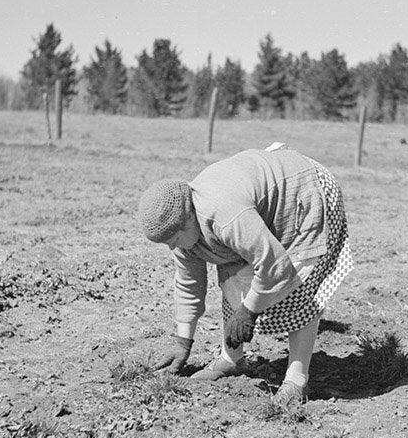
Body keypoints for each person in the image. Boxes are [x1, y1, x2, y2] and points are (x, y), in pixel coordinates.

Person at [137, 142, 353, 406]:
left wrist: (249, 310)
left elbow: (274, 265)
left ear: (189, 219)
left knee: (299, 289)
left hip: (305, 189)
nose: (172, 247)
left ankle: (297, 379)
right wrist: (183, 343)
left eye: (173, 239)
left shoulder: (225, 215)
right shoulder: (183, 231)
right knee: (233, 278)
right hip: (262, 202)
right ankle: (232, 360)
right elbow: (188, 284)